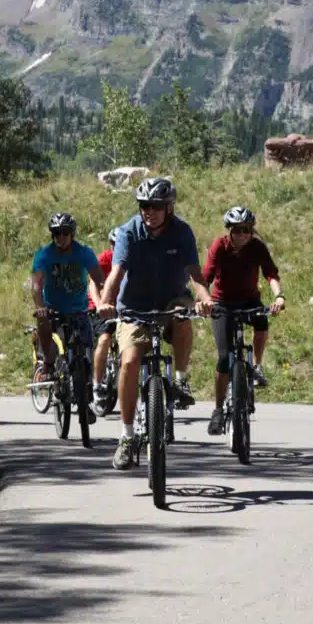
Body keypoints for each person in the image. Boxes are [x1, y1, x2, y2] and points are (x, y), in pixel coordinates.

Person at [98, 178, 214, 471]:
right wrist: (106, 300)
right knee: (129, 362)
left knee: (183, 314)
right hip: (133, 306)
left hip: (170, 299)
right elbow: (117, 271)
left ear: (169, 207)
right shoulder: (129, 231)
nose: (149, 211)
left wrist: (205, 299)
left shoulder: (182, 232)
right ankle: (125, 437)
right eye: (144, 206)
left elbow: (195, 275)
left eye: (156, 206)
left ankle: (181, 378)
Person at [203, 206, 285, 435]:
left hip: (249, 301)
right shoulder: (220, 246)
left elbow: (271, 274)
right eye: (238, 230)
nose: (243, 235)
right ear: (230, 230)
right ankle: (218, 410)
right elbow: (206, 276)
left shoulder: (257, 247)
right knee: (223, 357)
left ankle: (257, 367)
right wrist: (204, 301)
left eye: (247, 230)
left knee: (262, 322)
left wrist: (279, 296)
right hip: (222, 304)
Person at [31, 212, 105, 422]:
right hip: (53, 308)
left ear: (72, 234)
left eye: (64, 233)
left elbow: (99, 278)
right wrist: (40, 306)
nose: (60, 238)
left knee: (86, 350)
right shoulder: (44, 255)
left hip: (78, 309)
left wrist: (107, 298)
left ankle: (85, 399)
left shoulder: (84, 253)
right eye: (56, 234)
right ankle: (48, 363)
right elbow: (36, 286)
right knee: (43, 321)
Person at [89, 226, 121, 414]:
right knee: (105, 339)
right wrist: (100, 304)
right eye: (115, 245)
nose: (118, 247)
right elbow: (93, 284)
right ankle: (97, 385)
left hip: (122, 309)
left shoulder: (130, 260)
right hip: (101, 308)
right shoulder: (104, 259)